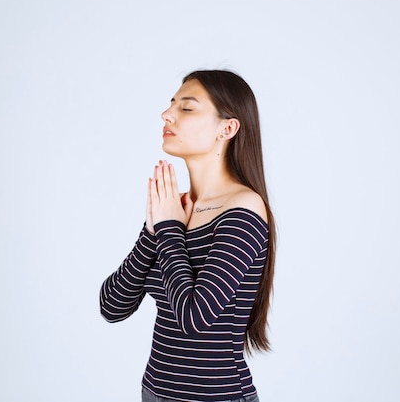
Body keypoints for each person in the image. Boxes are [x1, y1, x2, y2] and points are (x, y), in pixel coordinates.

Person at [100, 70, 276, 402]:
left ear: (227, 128)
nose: (167, 115)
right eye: (171, 105)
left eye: (187, 108)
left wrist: (167, 229)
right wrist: (155, 230)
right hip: (154, 391)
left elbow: (195, 319)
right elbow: (112, 306)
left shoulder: (244, 210)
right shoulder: (176, 210)